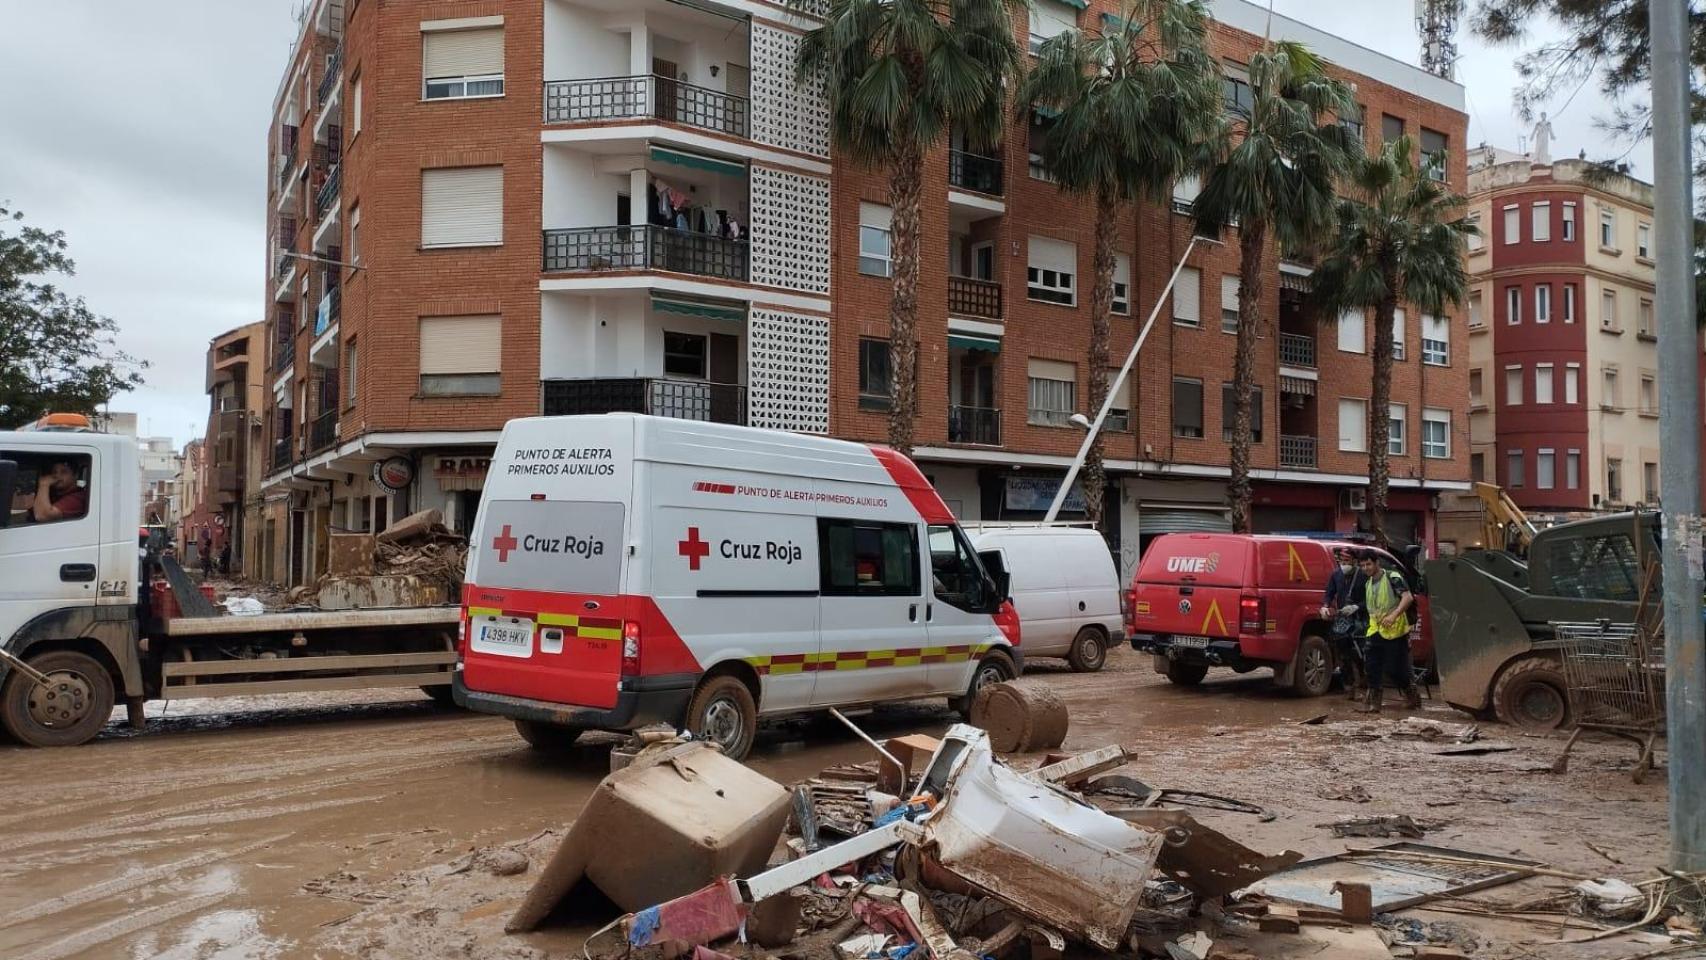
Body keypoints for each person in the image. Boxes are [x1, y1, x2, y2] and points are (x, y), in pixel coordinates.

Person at [1357, 549, 1420, 713]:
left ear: (1377, 563)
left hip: (1395, 631)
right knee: (1371, 666)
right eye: (1362, 565)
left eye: (1368, 564)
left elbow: (1407, 598)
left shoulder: (1392, 577)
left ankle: (1411, 694)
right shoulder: (1368, 584)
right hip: (1375, 630)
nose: (1366, 568)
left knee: (1395, 669)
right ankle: (1374, 703)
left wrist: (1393, 615)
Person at [1319, 546, 1368, 700]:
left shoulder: (1364, 575)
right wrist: (1325, 606)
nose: (1343, 563)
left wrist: (1357, 607)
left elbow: (1371, 600)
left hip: (1361, 619)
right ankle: (1349, 687)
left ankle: (1364, 684)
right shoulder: (1336, 575)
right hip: (1342, 619)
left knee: (1360, 654)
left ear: (1354, 561)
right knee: (1342, 653)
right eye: (1341, 560)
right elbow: (1329, 593)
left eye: (1347, 560)